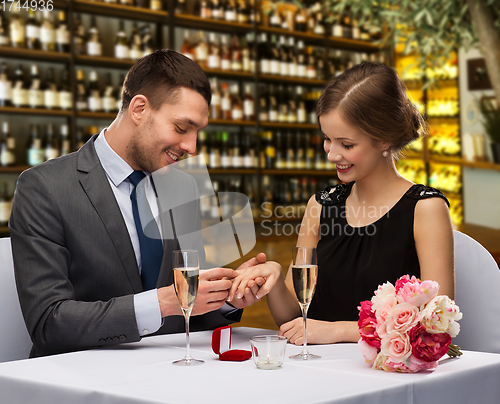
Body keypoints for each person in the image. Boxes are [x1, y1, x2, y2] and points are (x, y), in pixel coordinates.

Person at [9, 49, 265, 358]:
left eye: (198, 133)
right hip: (80, 382)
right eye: (182, 128)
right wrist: (163, 302)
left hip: (170, 373)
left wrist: (225, 298)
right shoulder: (45, 187)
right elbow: (49, 323)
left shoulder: (182, 186)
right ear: (139, 109)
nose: (191, 147)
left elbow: (188, 311)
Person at [230, 62, 455, 346]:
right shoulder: (320, 206)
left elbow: (437, 321)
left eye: (346, 145)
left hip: (389, 377)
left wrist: (339, 331)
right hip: (319, 371)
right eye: (327, 139)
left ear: (384, 139)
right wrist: (272, 279)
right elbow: (292, 318)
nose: (331, 154)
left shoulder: (426, 209)